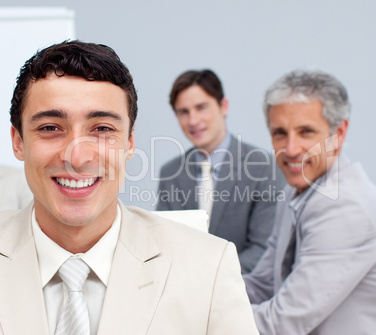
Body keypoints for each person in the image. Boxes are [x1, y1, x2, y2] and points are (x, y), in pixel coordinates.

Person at [0, 40, 258, 335]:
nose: (77, 156)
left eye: (102, 129)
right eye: (50, 128)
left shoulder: (208, 267)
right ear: (18, 141)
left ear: (130, 142)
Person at [243, 69, 376, 334]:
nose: (290, 149)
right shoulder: (296, 191)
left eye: (306, 132)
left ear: (338, 134)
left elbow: (281, 323)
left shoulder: (345, 209)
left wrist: (195, 321)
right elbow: (263, 284)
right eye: (280, 133)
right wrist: (199, 296)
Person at [157, 69, 285, 273]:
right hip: (184, 296)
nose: (193, 120)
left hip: (244, 294)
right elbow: (163, 244)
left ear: (223, 106)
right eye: (184, 112)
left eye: (201, 107)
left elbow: (263, 250)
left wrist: (209, 281)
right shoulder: (170, 173)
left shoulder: (263, 167)